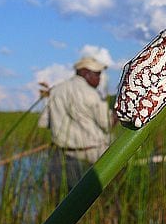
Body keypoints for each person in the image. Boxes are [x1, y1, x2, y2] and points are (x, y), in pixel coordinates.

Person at [38, 56, 115, 191]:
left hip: (62, 155)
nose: (99, 79)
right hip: (92, 155)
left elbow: (44, 123)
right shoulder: (92, 94)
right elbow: (107, 124)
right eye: (97, 74)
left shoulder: (56, 91)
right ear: (85, 73)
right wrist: (120, 113)